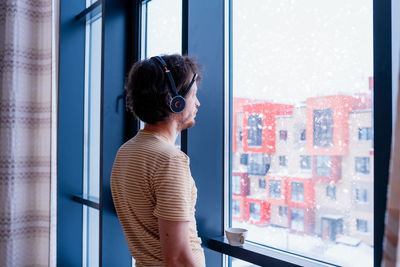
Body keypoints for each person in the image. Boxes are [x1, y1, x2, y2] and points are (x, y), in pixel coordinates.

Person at [110, 54, 205, 267]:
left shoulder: (126, 151)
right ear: (176, 102)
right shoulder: (169, 160)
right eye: (194, 95)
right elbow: (178, 259)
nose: (198, 104)